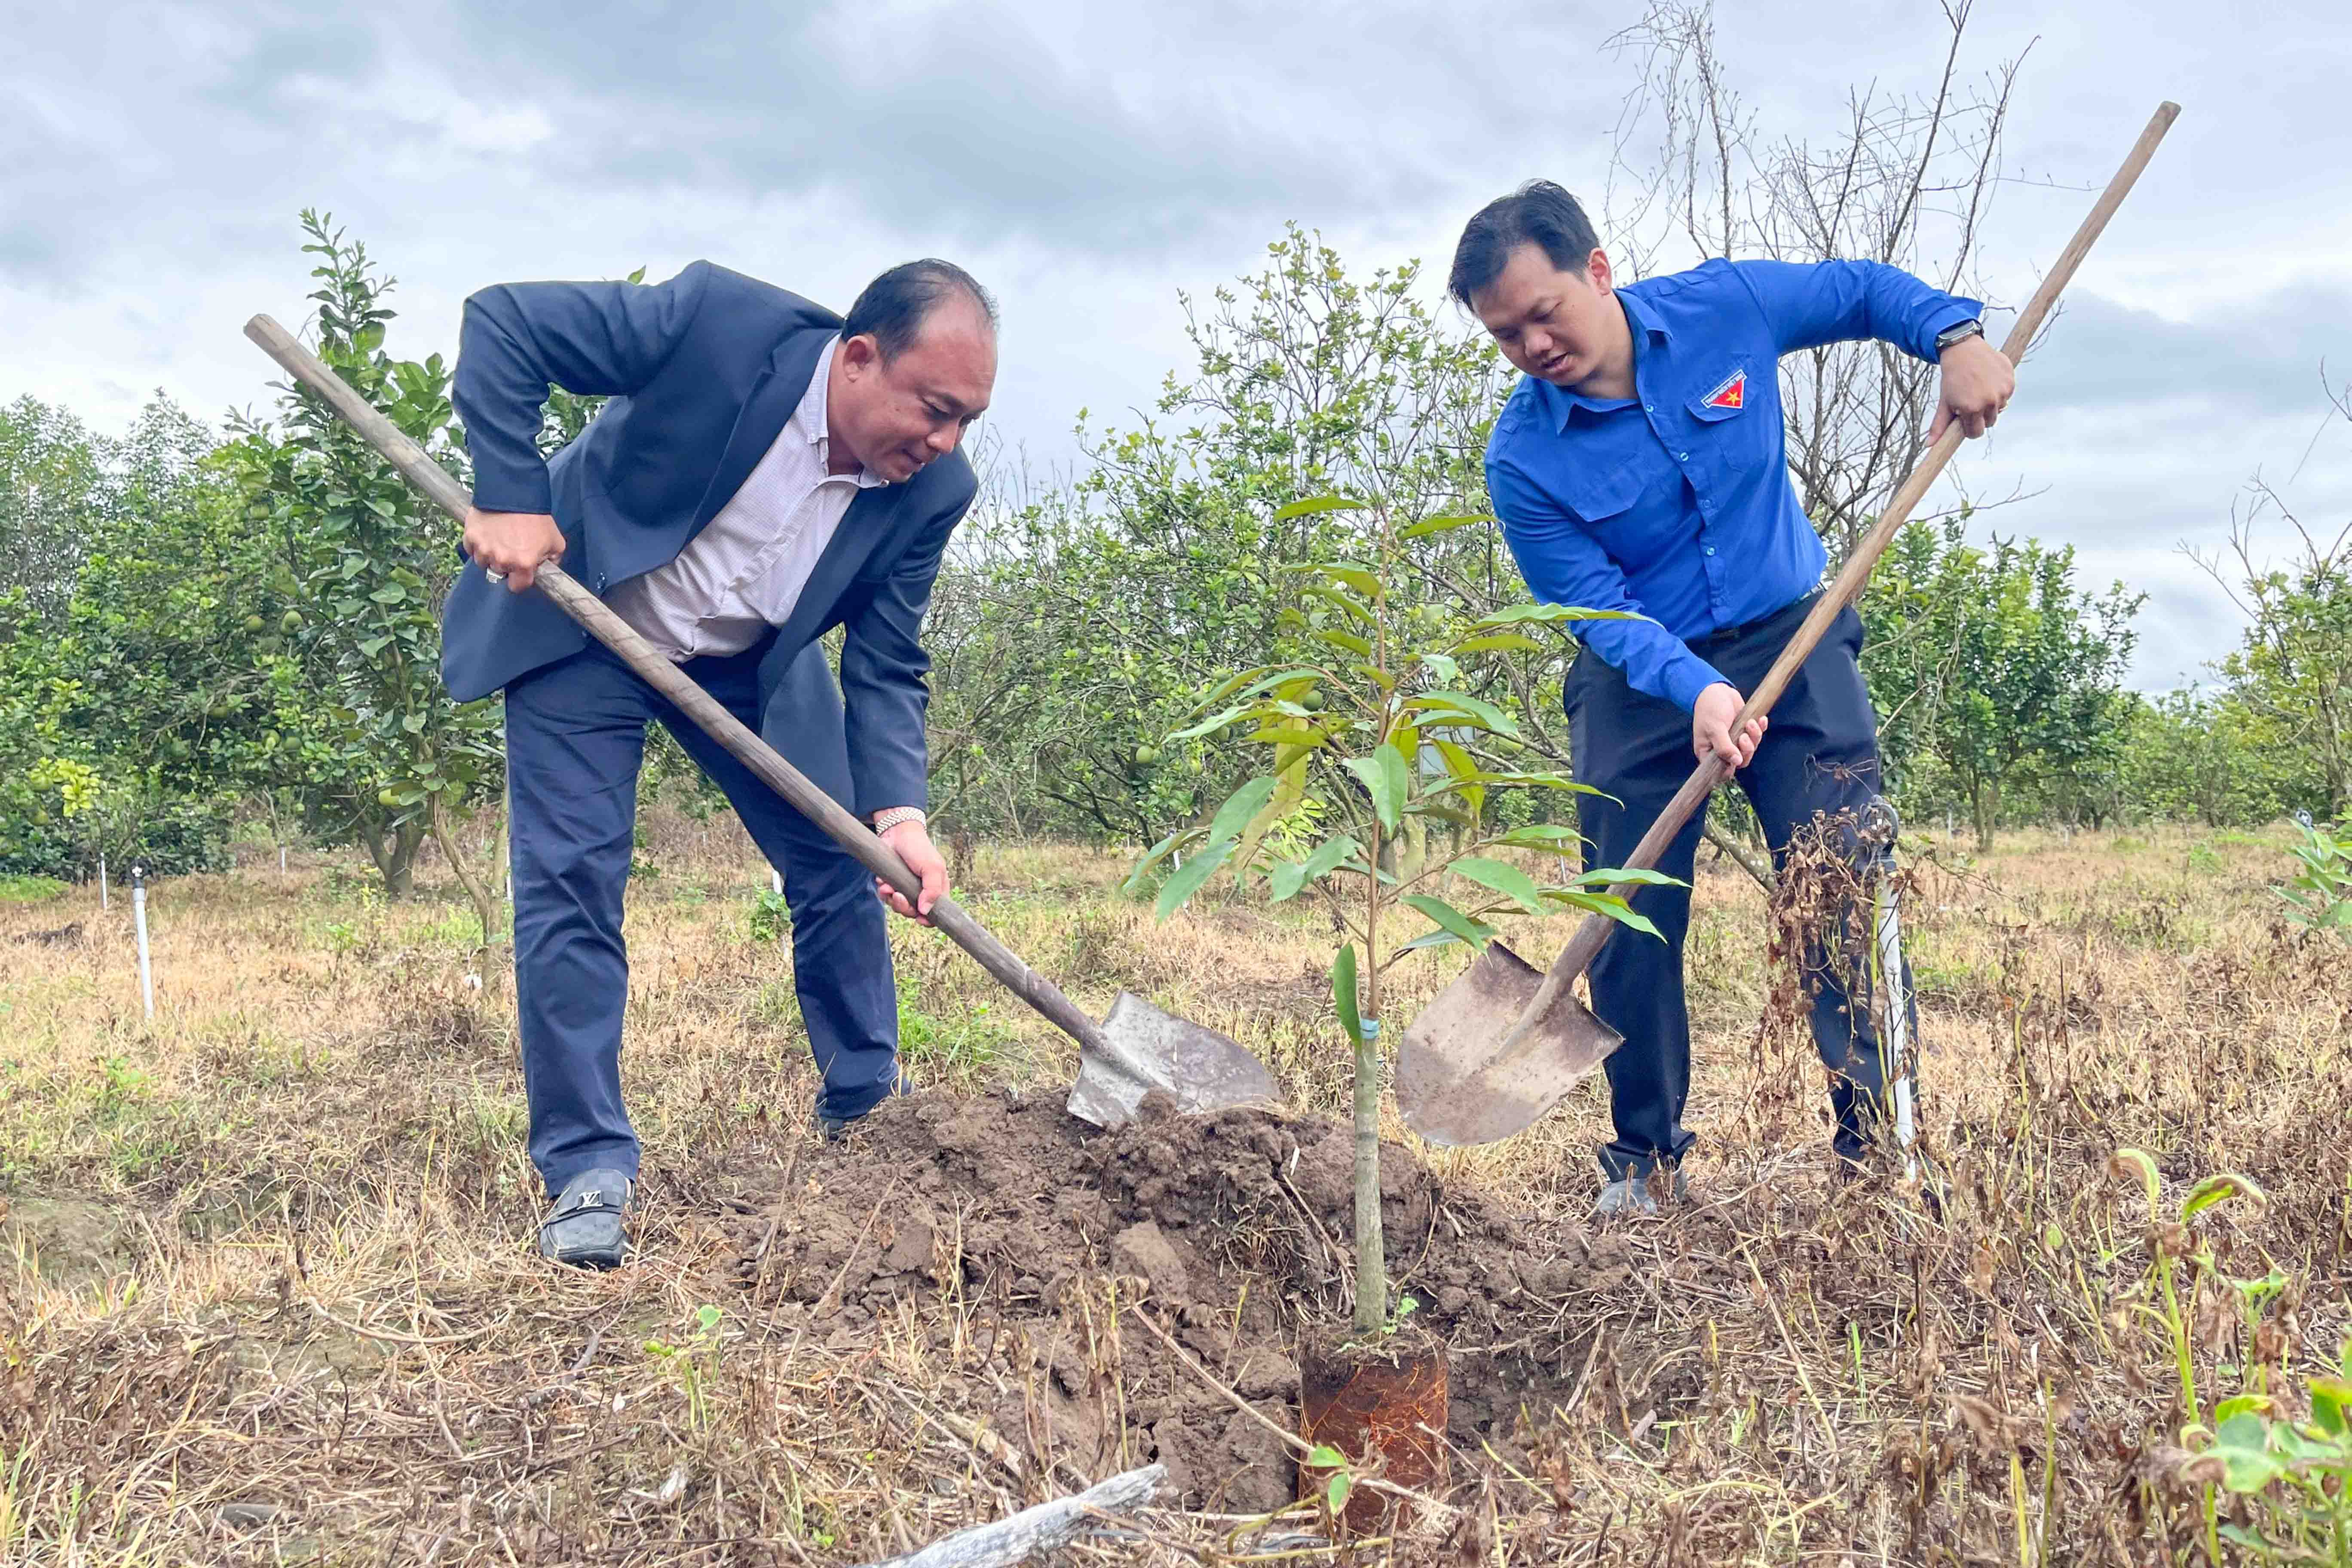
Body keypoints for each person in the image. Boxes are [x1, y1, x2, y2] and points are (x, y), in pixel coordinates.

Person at [1449, 182, 2011, 1215]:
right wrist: (1697, 687)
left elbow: (1857, 291)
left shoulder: (1730, 306)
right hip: (1639, 675)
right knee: (1628, 907)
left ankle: (1883, 1155)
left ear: (1600, 270)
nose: (1532, 343)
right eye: (1505, 333)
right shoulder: (1523, 459)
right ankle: (1645, 1163)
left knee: (1843, 879)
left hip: (1793, 637)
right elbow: (1597, 609)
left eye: (1545, 311)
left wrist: (1956, 335)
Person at [442, 258, 996, 1266]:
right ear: (860, 358)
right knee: (572, 881)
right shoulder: (720, 327)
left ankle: (869, 1114)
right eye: (935, 408)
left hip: (751, 661)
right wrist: (512, 495)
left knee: (843, 863)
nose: (947, 440)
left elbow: (887, 656)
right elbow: (505, 324)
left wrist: (900, 816)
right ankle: (586, 1167)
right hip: (589, 624)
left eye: (968, 420)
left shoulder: (934, 490)